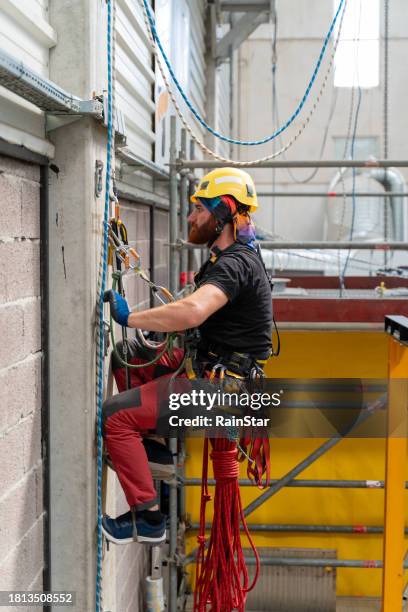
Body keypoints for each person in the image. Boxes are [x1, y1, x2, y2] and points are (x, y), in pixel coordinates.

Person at [102, 167, 273, 545]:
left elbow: (194, 311)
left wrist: (130, 317)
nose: (191, 217)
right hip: (212, 369)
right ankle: (156, 451)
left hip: (222, 390)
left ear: (223, 213)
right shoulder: (226, 259)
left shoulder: (235, 264)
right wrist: (155, 331)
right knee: (128, 356)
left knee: (115, 416)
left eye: (199, 209)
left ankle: (146, 519)